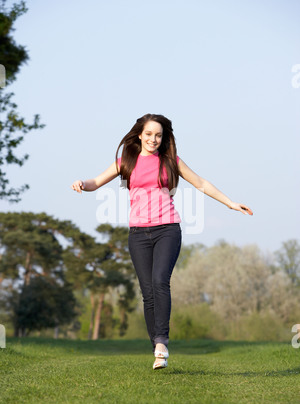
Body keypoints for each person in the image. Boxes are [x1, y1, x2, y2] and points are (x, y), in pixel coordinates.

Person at [71, 113, 253, 370]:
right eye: (148, 135)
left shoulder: (170, 161)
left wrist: (230, 203)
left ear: (163, 137)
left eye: (158, 135)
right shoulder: (127, 160)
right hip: (138, 235)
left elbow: (200, 182)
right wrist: (82, 183)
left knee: (160, 281)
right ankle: (156, 345)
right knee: (148, 293)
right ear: (139, 135)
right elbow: (96, 182)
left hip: (167, 229)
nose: (153, 139)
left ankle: (162, 343)